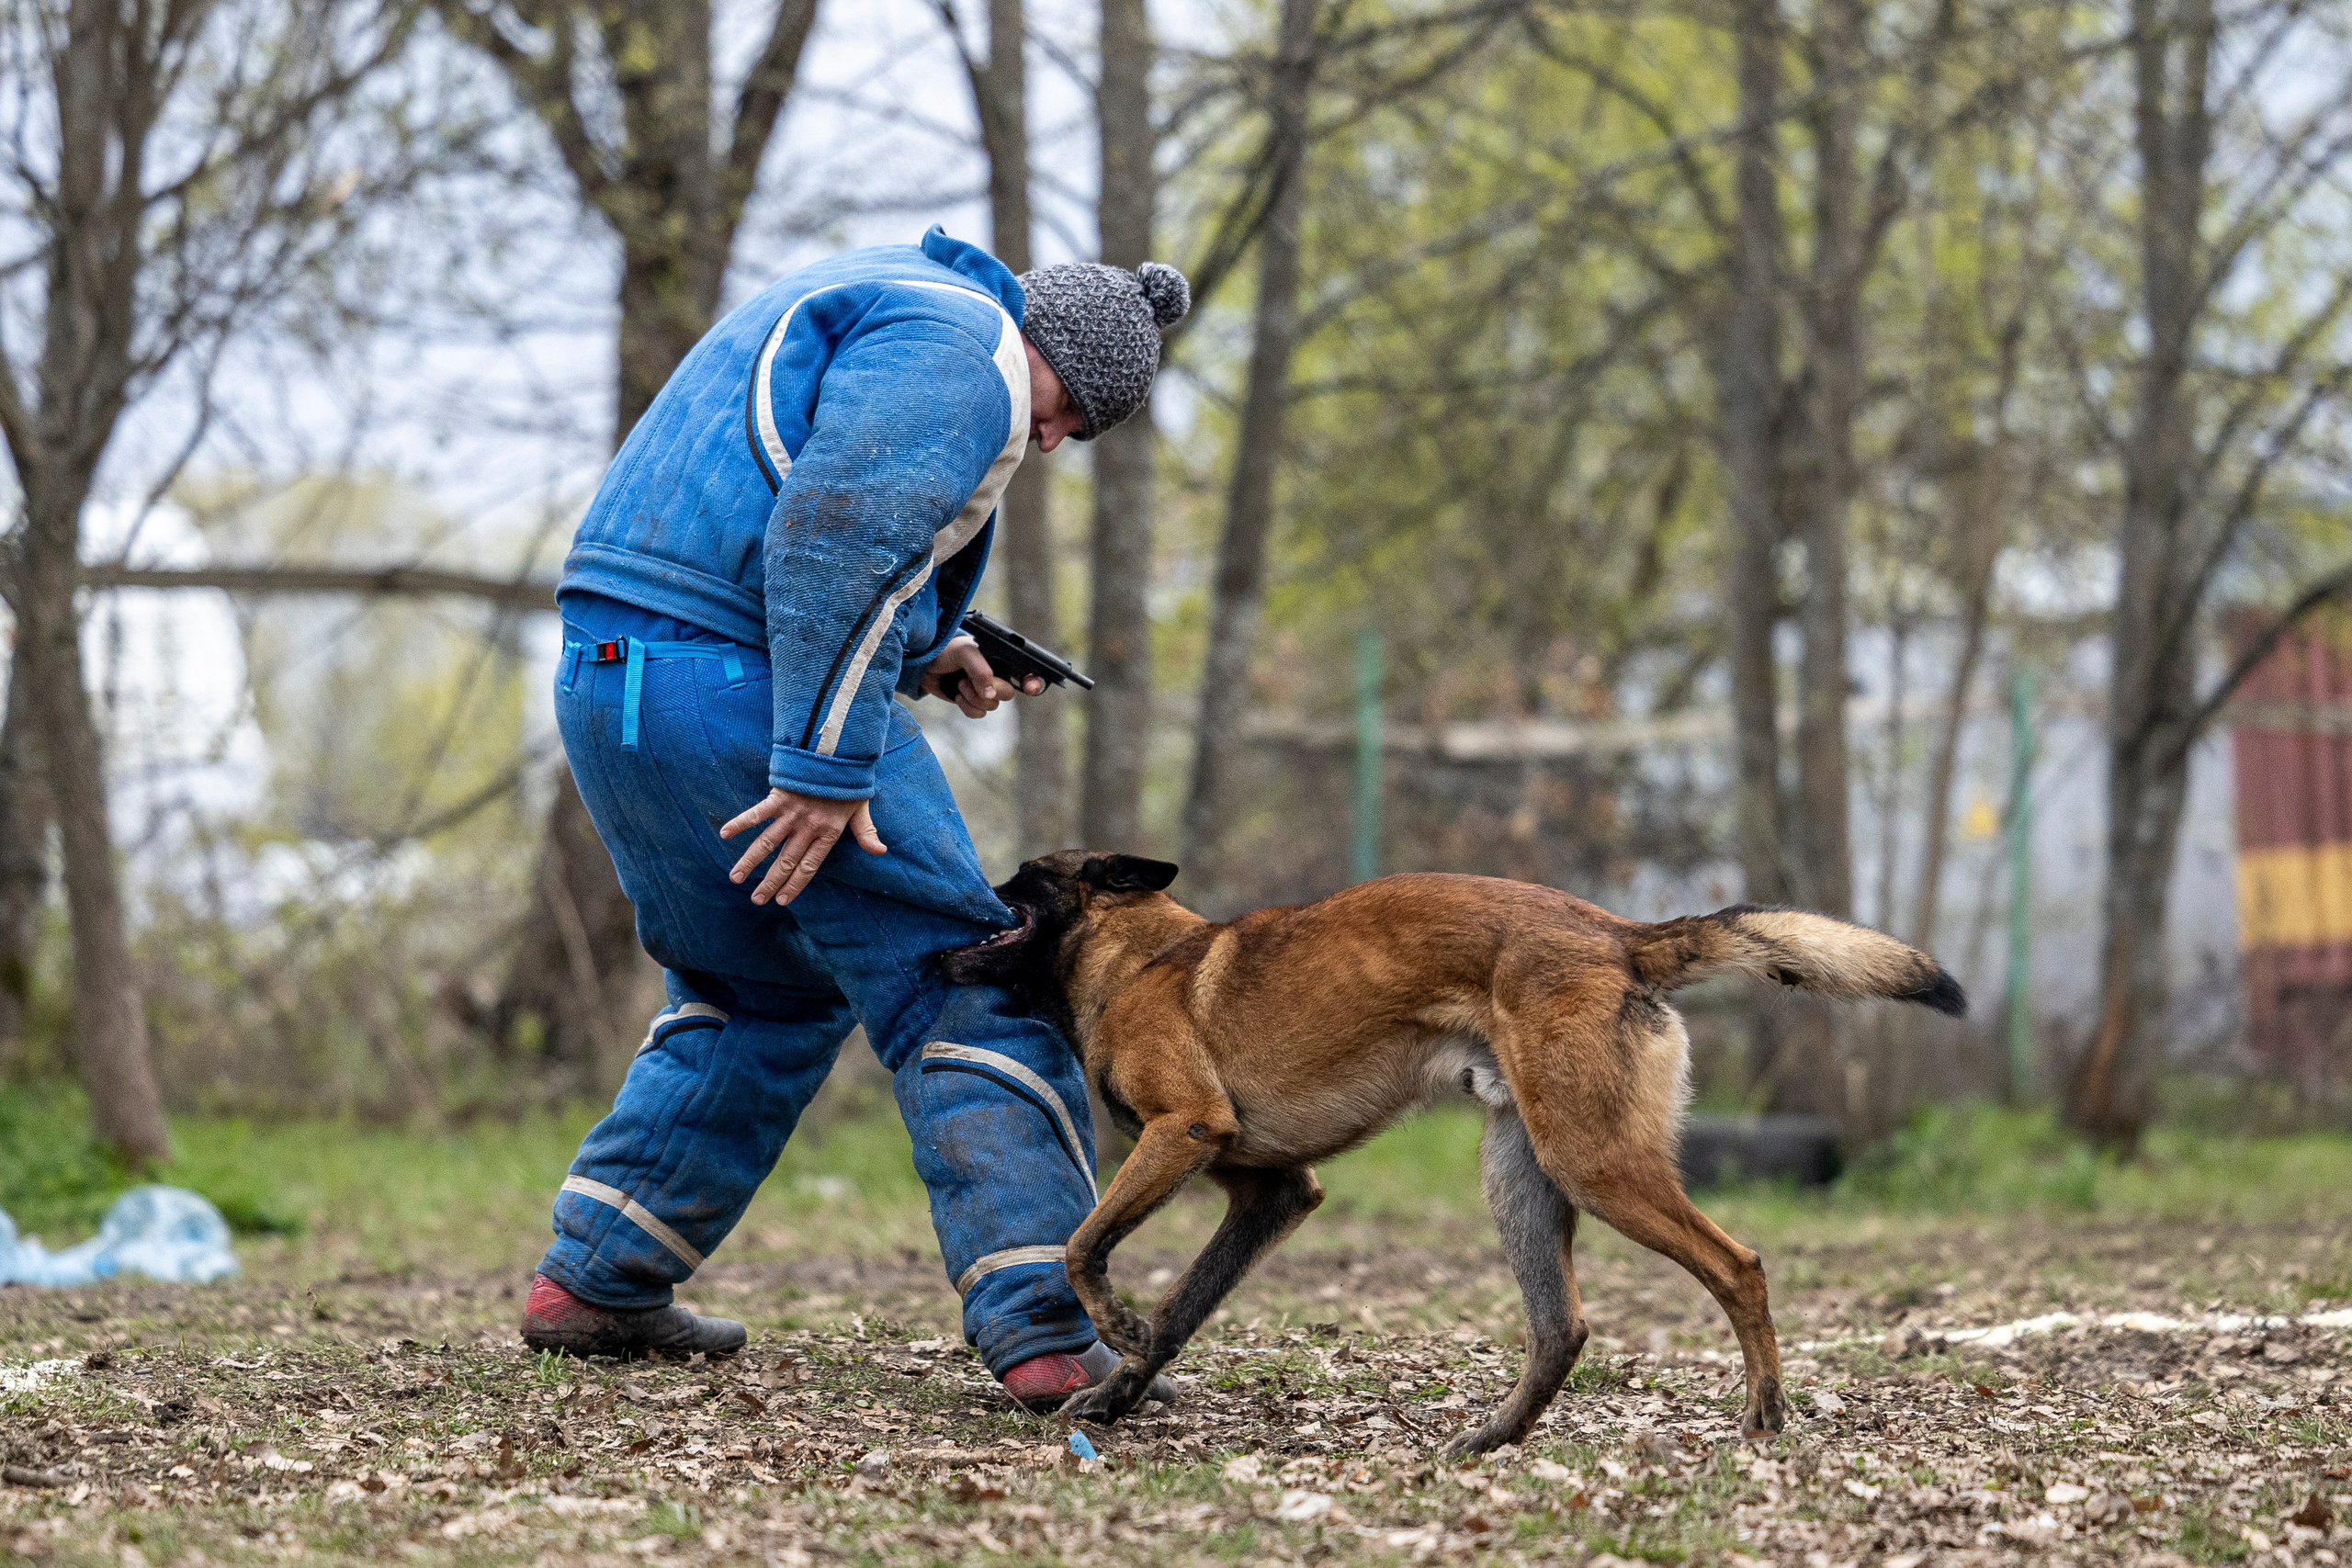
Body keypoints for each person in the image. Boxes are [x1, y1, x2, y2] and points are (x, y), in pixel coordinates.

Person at [518, 225, 1190, 1409]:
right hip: (739, 694)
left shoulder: (874, 285)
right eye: (1067, 415)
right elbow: (841, 536)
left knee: (758, 989)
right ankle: (1048, 1329)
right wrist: (825, 769)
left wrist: (936, 647)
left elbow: (773, 522)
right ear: (1050, 351)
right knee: (970, 973)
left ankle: (600, 1278)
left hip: (614, 681)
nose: (1049, 439)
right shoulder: (965, 345)